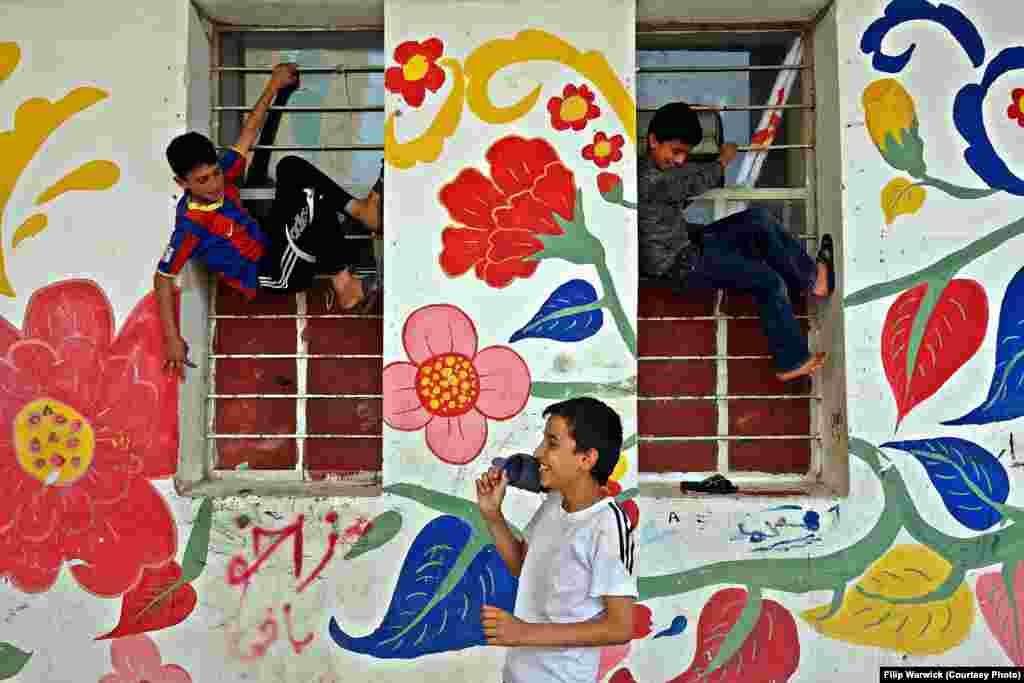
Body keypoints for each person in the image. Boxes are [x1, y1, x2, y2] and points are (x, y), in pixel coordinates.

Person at [154, 63, 383, 376]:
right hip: (271, 276)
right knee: (313, 202)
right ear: (183, 184)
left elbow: (250, 131)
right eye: (204, 180)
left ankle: (362, 213)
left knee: (290, 167)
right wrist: (172, 337)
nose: (216, 183)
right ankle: (345, 286)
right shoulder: (190, 226)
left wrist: (274, 86)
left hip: (274, 243)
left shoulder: (224, 174)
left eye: (217, 173)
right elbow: (163, 278)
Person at [638, 101, 835, 382]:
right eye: (676, 151)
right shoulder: (647, 177)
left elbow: (680, 191)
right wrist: (722, 161)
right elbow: (689, 183)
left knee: (758, 221)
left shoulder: (661, 173)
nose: (680, 159)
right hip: (679, 266)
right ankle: (790, 362)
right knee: (768, 281)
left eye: (685, 153)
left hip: (688, 245)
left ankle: (814, 280)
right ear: (653, 140)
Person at [475, 397, 636, 683]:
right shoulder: (553, 503)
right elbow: (526, 568)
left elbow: (620, 627)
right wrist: (493, 516)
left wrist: (523, 633)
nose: (538, 453)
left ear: (586, 459)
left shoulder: (607, 524)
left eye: (551, 443)